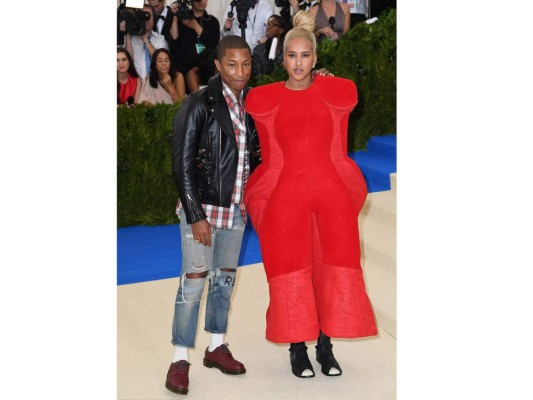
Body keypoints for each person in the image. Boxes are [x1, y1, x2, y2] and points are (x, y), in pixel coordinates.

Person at [243, 10, 377, 379]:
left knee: (329, 270)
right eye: (291, 55)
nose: (298, 62)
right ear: (282, 58)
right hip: (287, 204)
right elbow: (270, 159)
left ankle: (325, 346)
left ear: (316, 59)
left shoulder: (338, 93)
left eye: (305, 55)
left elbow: (337, 151)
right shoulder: (264, 100)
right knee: (292, 272)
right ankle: (297, 349)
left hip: (330, 199)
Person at [166, 35, 261, 396]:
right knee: (193, 281)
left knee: (224, 280)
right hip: (203, 210)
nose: (241, 71)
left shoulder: (254, 103)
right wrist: (195, 215)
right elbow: (182, 163)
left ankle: (216, 346)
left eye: (247, 63)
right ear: (218, 65)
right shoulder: (197, 103)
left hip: (237, 210)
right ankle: (179, 357)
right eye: (232, 64)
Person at [169, 0, 220, 93]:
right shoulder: (181, 18)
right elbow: (173, 42)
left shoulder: (212, 21)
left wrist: (194, 25)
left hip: (204, 70)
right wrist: (175, 18)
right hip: (181, 68)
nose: (200, 1)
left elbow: (212, 44)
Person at [125, 3, 169, 79]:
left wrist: (146, 40)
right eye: (142, 16)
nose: (146, 19)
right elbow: (127, 62)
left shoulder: (160, 39)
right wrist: (128, 35)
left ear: (154, 18)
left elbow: (161, 60)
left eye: (148, 15)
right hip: (136, 83)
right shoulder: (132, 39)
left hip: (156, 83)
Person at [251, 14, 287, 79]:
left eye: (272, 25)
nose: (267, 28)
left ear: (281, 30)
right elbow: (256, 75)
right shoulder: (258, 50)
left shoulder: (287, 51)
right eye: (267, 25)